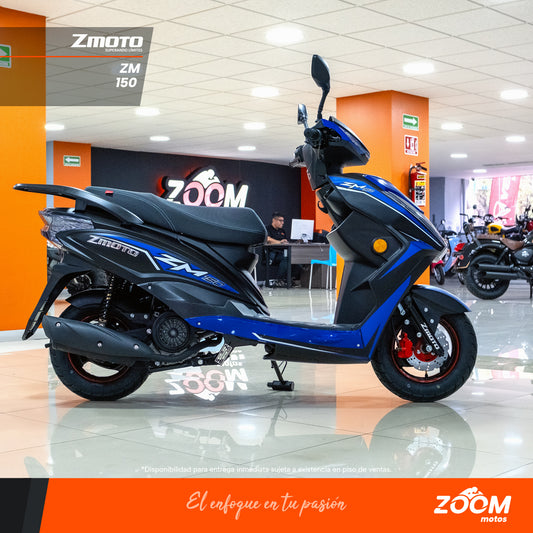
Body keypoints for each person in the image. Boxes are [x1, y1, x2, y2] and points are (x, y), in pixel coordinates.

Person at [265, 212, 301, 287]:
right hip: (272, 254)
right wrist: (280, 242)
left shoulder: (282, 231)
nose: (282, 223)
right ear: (274, 220)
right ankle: (279, 280)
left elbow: (285, 242)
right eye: (280, 220)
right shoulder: (267, 229)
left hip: (283, 252)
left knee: (295, 258)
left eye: (283, 221)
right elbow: (268, 239)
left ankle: (290, 279)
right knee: (286, 258)